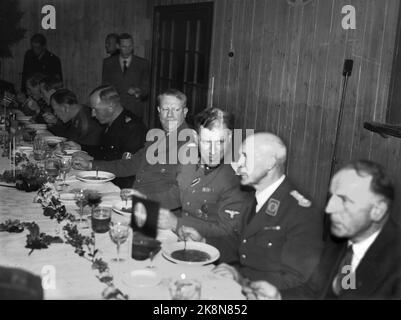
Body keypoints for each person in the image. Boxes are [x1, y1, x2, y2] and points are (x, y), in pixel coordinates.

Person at [241, 160, 401, 300]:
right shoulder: (339, 238)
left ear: (377, 211)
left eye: (344, 200)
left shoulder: (395, 265)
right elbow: (313, 292)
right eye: (332, 197)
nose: (330, 208)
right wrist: (279, 297)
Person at [211, 133, 324, 290]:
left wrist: (241, 279)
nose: (239, 163)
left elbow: (297, 279)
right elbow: (238, 243)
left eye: (245, 156)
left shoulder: (300, 212)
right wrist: (202, 241)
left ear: (270, 163)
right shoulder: (253, 195)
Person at [157, 108, 254, 263]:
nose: (213, 151)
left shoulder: (238, 178)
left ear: (229, 138)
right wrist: (146, 201)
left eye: (220, 142)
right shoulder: (190, 160)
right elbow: (177, 193)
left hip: (216, 255)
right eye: (206, 142)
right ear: (195, 138)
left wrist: (176, 222)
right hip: (183, 241)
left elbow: (228, 232)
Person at [72, 89, 192, 210]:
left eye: (176, 110)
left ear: (185, 112)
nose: (170, 115)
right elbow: (130, 164)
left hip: (161, 212)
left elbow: (181, 195)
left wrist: (144, 199)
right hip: (135, 203)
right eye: (166, 109)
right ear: (159, 111)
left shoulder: (189, 144)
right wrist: (90, 165)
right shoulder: (157, 138)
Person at [76, 85, 147, 188]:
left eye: (95, 109)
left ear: (111, 106)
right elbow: (104, 151)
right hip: (109, 178)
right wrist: (80, 148)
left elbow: (126, 166)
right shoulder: (111, 122)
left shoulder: (133, 128)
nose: (93, 114)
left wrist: (92, 163)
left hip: (123, 187)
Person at [101, 33, 150, 119]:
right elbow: (104, 87)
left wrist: (138, 92)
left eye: (130, 46)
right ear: (118, 46)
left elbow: (146, 88)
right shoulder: (108, 63)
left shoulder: (143, 63)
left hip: (134, 110)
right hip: (114, 108)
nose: (127, 50)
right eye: (124, 46)